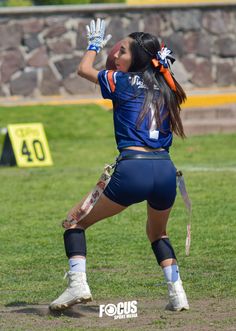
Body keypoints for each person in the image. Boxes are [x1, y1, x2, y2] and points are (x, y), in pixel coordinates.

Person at [49, 18, 189, 312]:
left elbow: (83, 70)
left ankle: (78, 285)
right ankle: (178, 294)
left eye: (122, 51)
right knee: (158, 234)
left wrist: (93, 45)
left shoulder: (122, 80)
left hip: (133, 169)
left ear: (136, 59)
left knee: (74, 222)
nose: (116, 55)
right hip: (165, 170)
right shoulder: (166, 86)